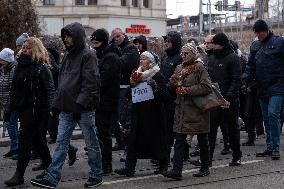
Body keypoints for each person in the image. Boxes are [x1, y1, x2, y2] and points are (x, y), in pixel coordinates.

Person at [30, 22, 103, 188]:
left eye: (68, 36)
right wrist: (56, 105)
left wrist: (80, 104)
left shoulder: (88, 55)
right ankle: (52, 177)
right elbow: (63, 84)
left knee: (91, 143)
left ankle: (96, 174)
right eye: (64, 36)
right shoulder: (68, 56)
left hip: (83, 109)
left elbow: (90, 84)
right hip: (67, 108)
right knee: (61, 143)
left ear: (76, 36)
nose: (66, 39)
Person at [4, 37, 54, 187]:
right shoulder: (20, 66)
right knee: (37, 140)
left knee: (25, 140)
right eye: (23, 47)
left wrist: (51, 110)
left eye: (28, 47)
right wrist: (9, 108)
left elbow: (50, 90)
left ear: (36, 49)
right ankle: (50, 166)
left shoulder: (42, 68)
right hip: (23, 108)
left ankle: (19, 175)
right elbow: (14, 89)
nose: (24, 49)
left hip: (37, 110)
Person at [114, 51, 169, 177]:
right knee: (133, 141)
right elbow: (128, 94)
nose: (141, 61)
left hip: (154, 115)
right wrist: (133, 84)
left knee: (157, 140)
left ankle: (163, 165)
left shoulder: (157, 75)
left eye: (144, 59)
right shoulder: (136, 76)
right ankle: (129, 167)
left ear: (150, 62)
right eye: (141, 59)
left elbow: (165, 96)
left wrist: (155, 87)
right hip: (138, 114)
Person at [162, 43, 211, 180]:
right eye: (182, 53)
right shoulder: (179, 67)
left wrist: (187, 90)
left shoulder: (199, 67)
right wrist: (172, 82)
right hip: (182, 109)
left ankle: (205, 167)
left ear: (193, 54)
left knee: (201, 138)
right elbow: (172, 87)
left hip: (197, 109)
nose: (183, 56)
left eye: (186, 53)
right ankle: (176, 171)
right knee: (179, 139)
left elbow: (206, 87)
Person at [242, 20, 284, 160]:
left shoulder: (279, 42)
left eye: (259, 31)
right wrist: (245, 81)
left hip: (277, 86)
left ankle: (276, 147)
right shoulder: (255, 46)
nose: (257, 34)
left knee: (273, 114)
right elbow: (250, 66)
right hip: (262, 87)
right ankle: (270, 146)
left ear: (265, 30)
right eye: (255, 32)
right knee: (266, 118)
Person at [207, 32, 242, 166]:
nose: (212, 46)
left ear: (221, 44)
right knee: (211, 129)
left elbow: (236, 79)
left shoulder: (233, 58)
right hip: (214, 99)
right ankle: (207, 159)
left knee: (231, 129)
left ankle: (236, 155)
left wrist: (228, 98)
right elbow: (209, 78)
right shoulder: (211, 58)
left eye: (214, 43)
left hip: (229, 100)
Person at [90, 28, 121, 175]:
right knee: (100, 134)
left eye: (97, 43)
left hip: (107, 102)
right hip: (99, 101)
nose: (94, 46)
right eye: (93, 43)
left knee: (104, 134)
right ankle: (101, 162)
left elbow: (103, 80)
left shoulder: (110, 57)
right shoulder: (99, 56)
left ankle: (106, 165)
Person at [111, 28, 139, 151]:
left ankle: (127, 144)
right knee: (116, 117)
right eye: (114, 37)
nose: (117, 39)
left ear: (123, 35)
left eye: (118, 36)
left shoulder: (130, 48)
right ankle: (121, 140)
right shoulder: (117, 48)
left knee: (125, 117)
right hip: (118, 87)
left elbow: (121, 64)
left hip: (127, 87)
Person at [160, 31, 183, 164]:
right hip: (164, 98)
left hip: (175, 99)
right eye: (165, 41)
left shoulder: (179, 59)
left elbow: (177, 79)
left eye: (168, 41)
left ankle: (179, 156)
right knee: (165, 130)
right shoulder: (165, 57)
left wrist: (168, 87)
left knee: (176, 131)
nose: (165, 43)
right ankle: (164, 157)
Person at [0, 48, 18, 159]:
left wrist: (9, 103)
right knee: (10, 125)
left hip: (12, 103)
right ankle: (14, 147)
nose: (0, 61)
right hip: (4, 102)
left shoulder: (13, 70)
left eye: (2, 59)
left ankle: (16, 148)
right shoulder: (4, 69)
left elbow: (13, 88)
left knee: (11, 125)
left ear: (7, 59)